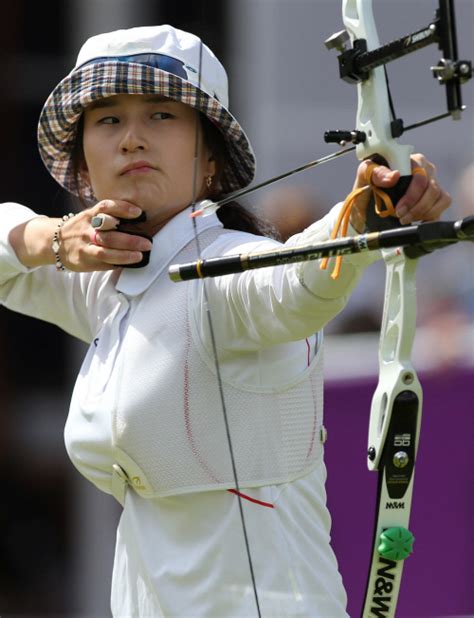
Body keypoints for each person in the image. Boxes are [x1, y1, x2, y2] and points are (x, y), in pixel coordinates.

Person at [0, 25, 451, 617]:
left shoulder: (226, 271)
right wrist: (52, 238)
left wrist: (365, 212)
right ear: (83, 154)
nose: (132, 139)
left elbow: (296, 282)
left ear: (208, 153)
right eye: (108, 120)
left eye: (162, 115)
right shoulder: (104, 279)